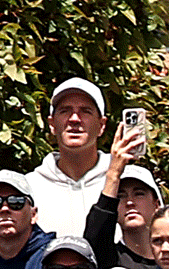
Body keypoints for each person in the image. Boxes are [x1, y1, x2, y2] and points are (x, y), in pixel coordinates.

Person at [26, 77, 113, 239]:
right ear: (52, 124)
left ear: (102, 125)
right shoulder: (29, 187)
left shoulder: (127, 181)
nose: (74, 119)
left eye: (86, 111)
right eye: (65, 111)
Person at [89, 121, 165, 269]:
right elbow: (95, 236)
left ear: (157, 204)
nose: (130, 202)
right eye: (121, 196)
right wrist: (113, 174)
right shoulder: (110, 261)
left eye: (139, 194)